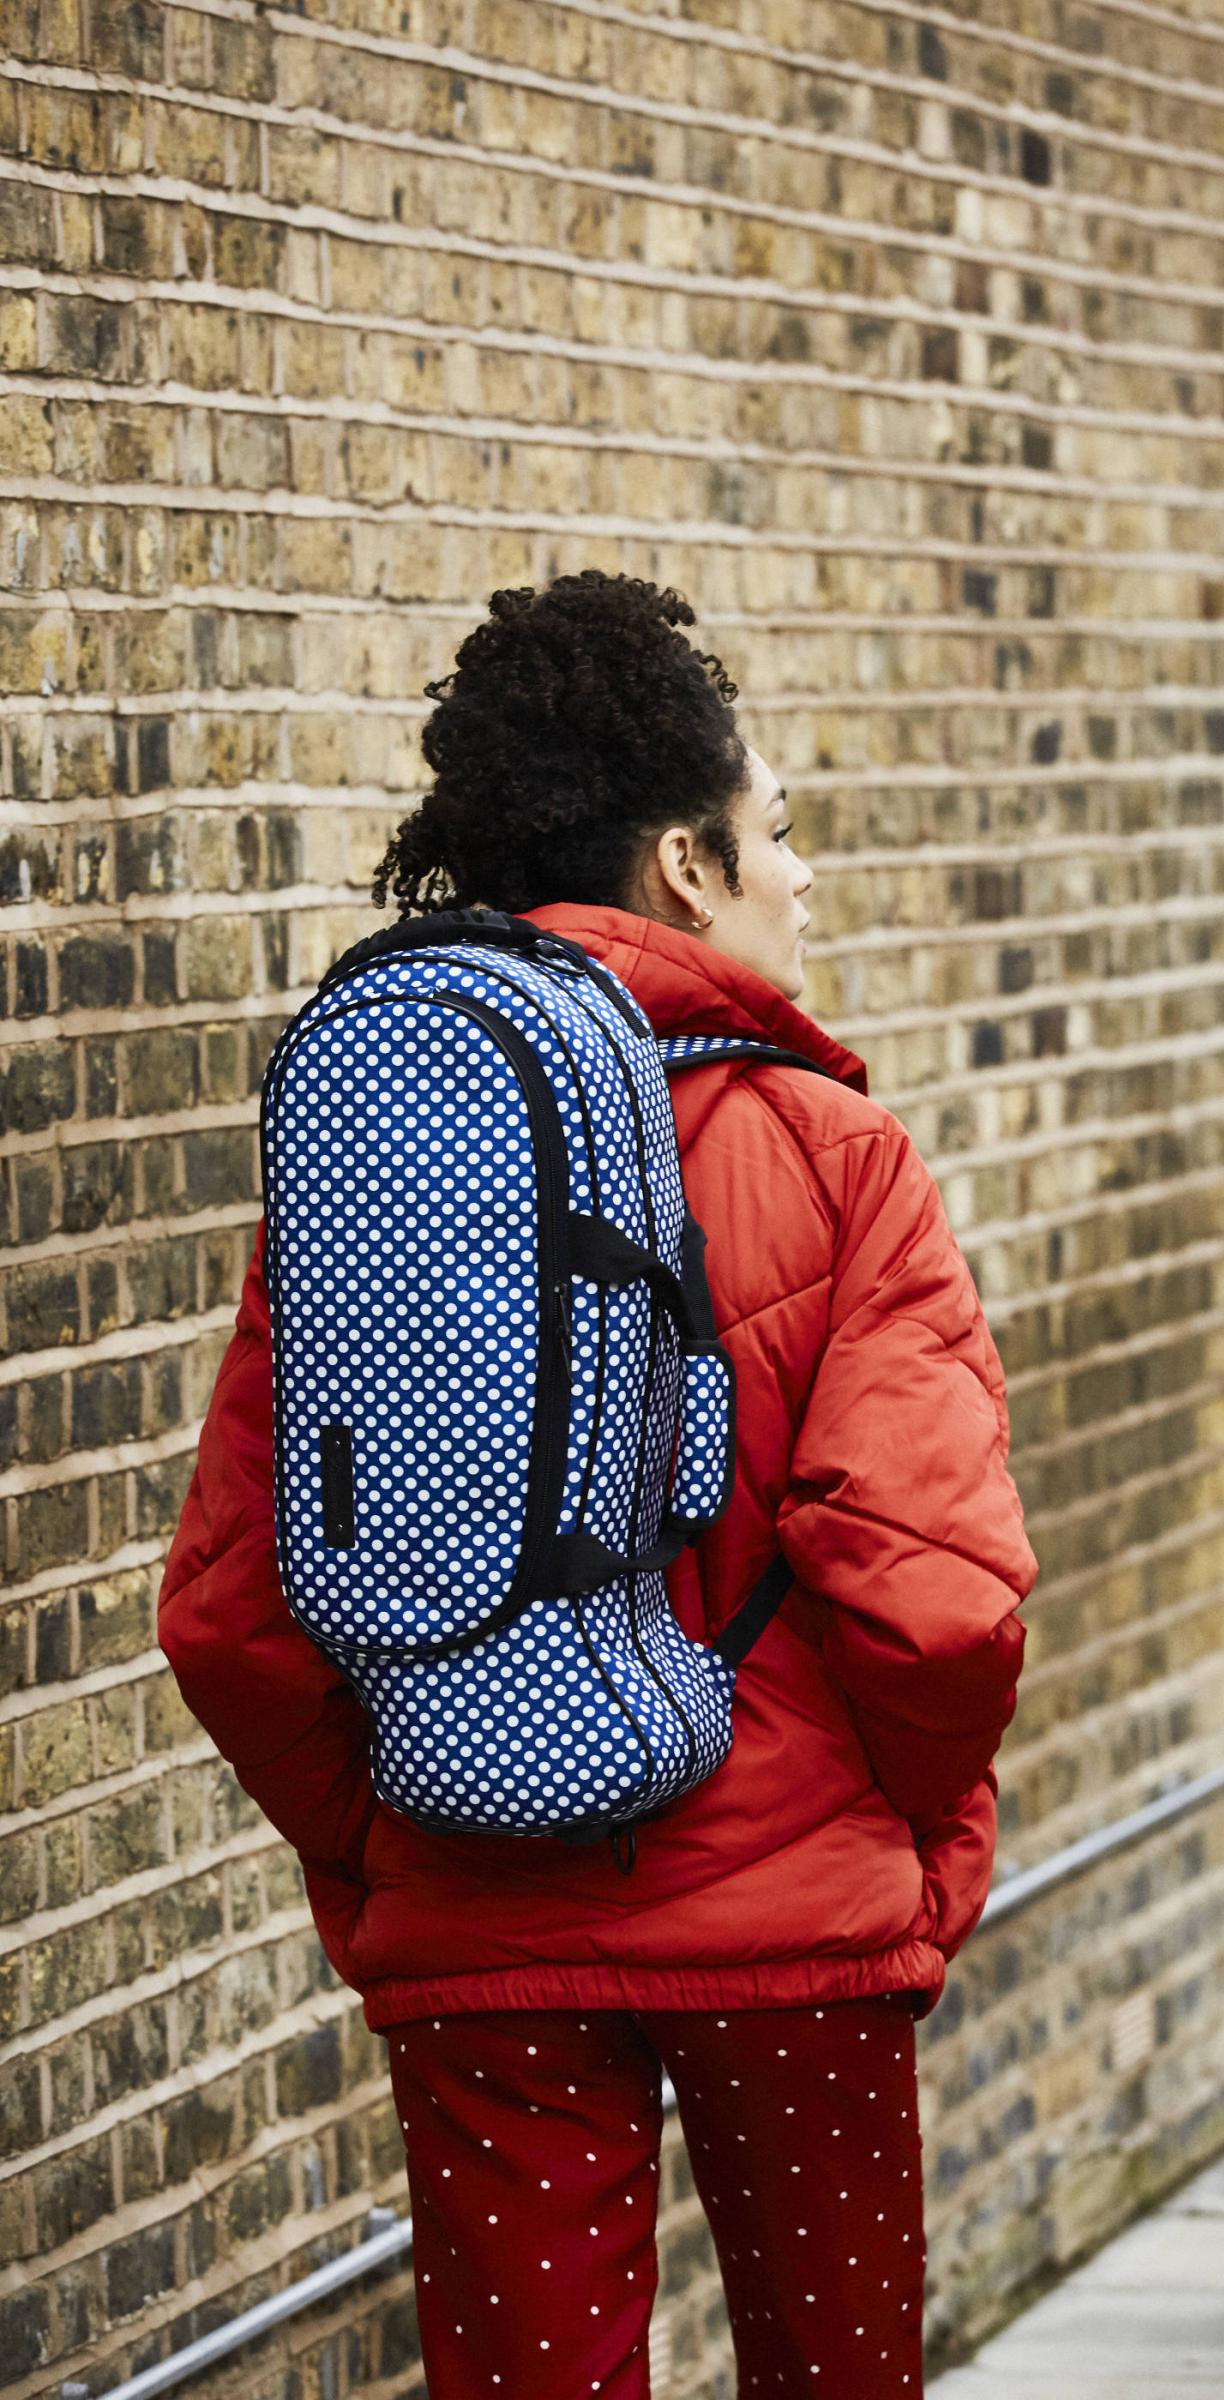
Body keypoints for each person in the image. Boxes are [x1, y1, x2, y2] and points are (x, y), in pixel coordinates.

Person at [158, 570, 1039, 2399]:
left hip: (484, 1931)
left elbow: (237, 1614)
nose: (802, 877)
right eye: (775, 833)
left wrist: (385, 1854)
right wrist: (928, 1857)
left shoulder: (372, 1164)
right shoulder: (838, 1154)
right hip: (798, 1943)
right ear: (686, 872)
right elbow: (931, 1591)